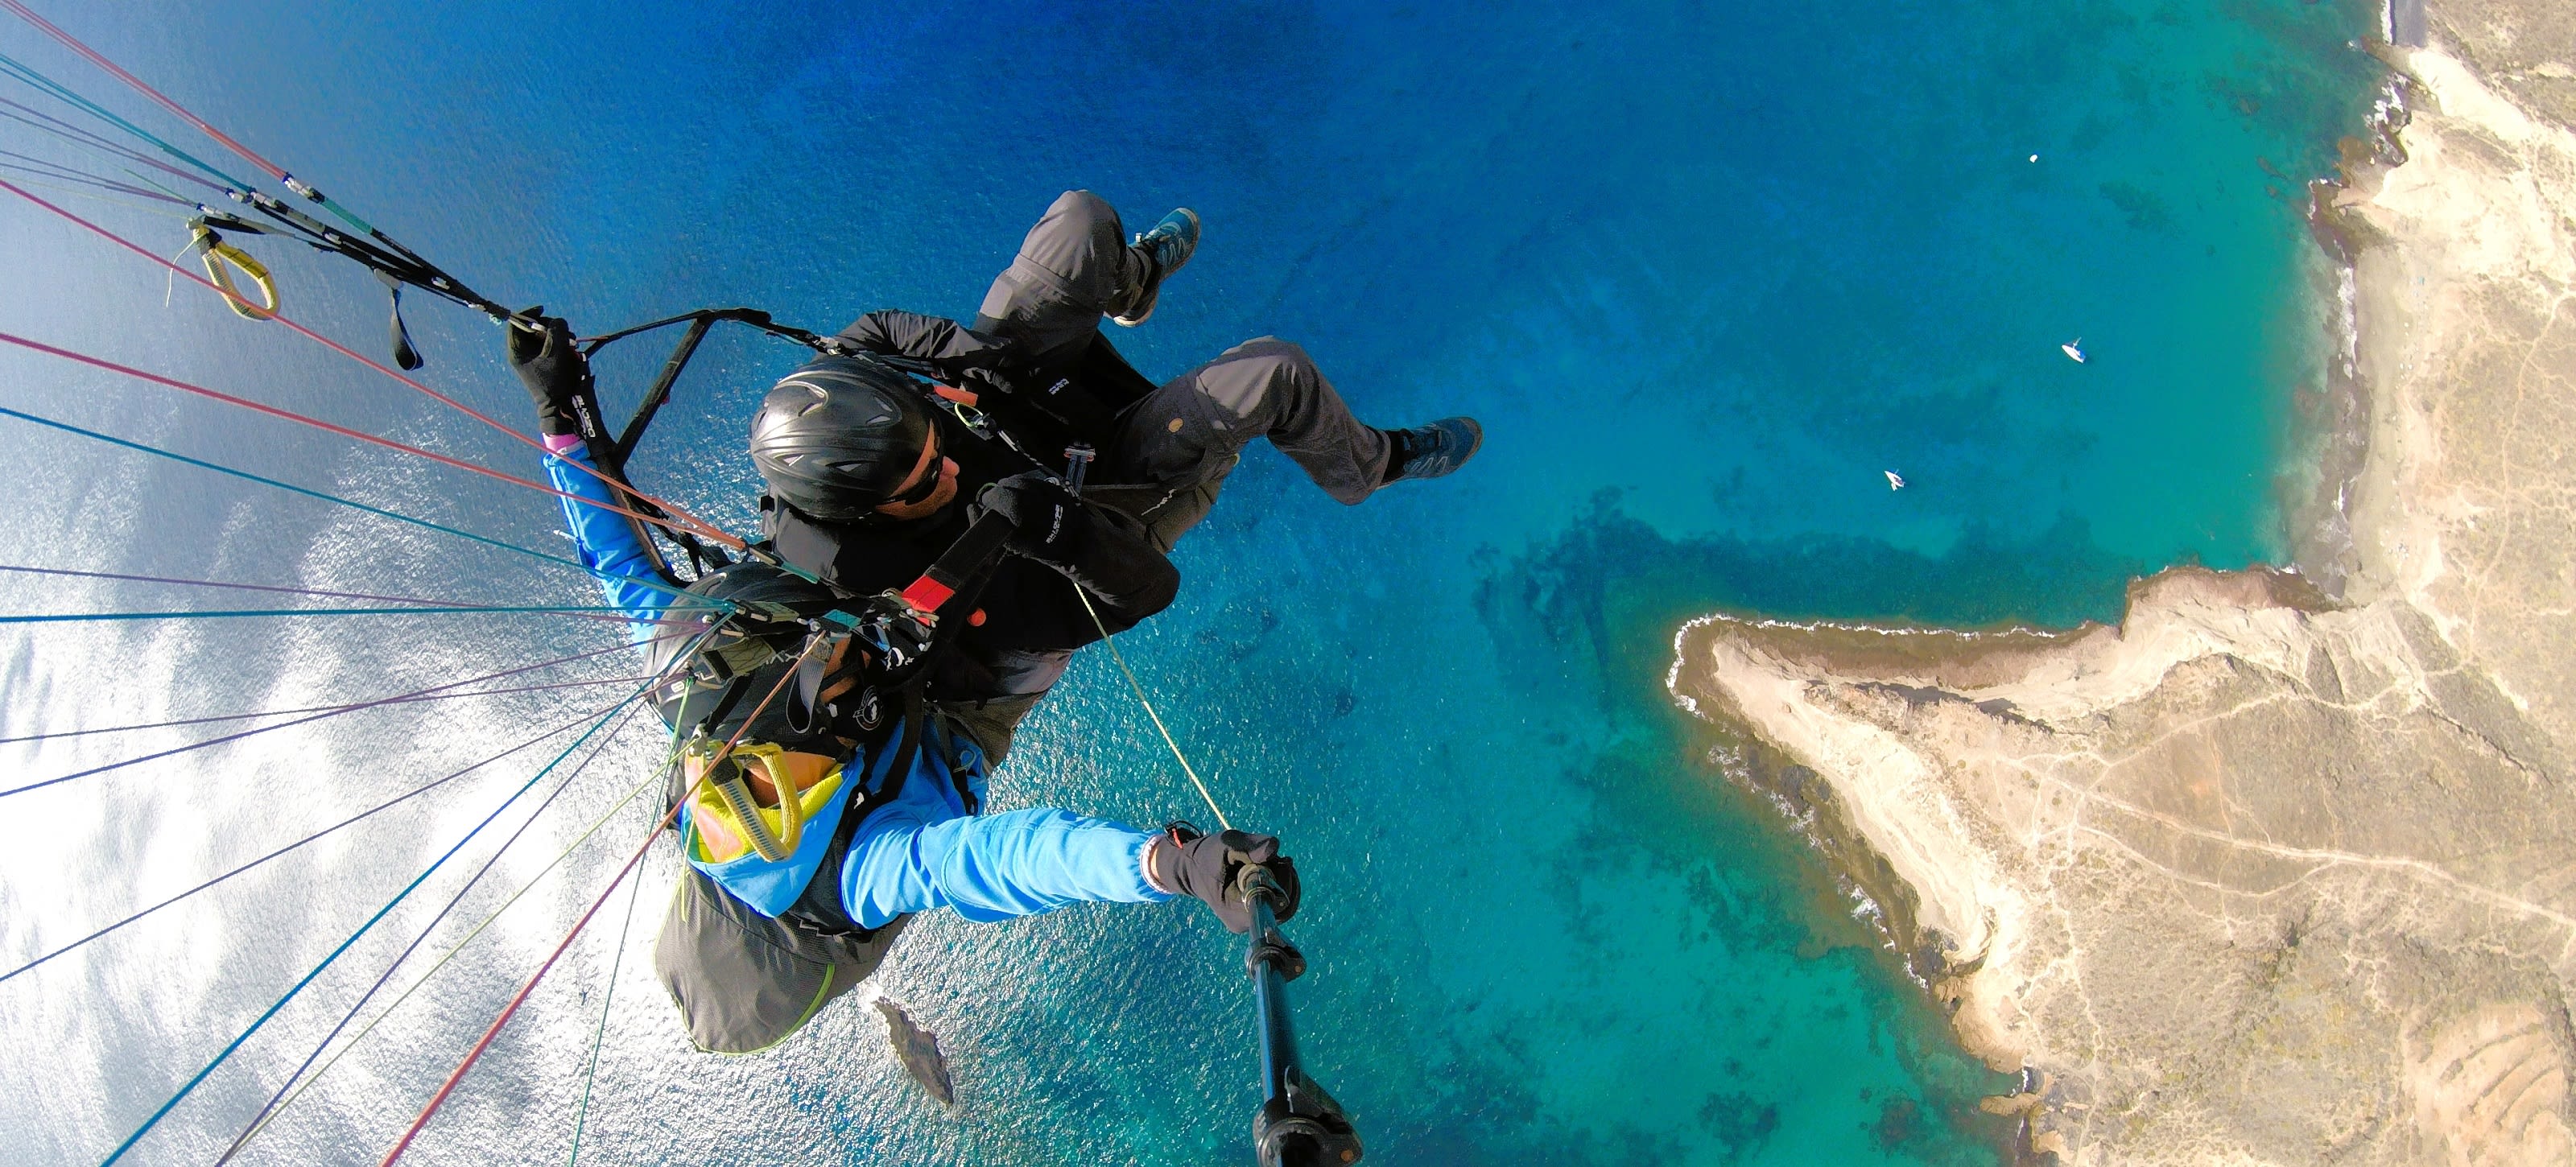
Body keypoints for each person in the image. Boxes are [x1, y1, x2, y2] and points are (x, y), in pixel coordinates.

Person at [508, 316, 1301, 1056]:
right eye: (823, 688)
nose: (826, 661)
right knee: (1040, 625)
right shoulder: (861, 874)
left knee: (877, 559)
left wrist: (557, 414)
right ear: (821, 757)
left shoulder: (701, 693)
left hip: (867, 695)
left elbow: (618, 568)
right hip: (967, 712)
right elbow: (999, 861)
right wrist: (1169, 864)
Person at [749, 191, 1484, 759]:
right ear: (869, 513)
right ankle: (1368, 467)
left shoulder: (842, 402)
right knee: (1275, 373)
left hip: (1017, 411)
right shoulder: (921, 576)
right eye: (920, 483)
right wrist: (1050, 522)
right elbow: (1141, 591)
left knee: (1079, 222)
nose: (941, 465)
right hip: (1102, 502)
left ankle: (1132, 285)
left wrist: (971, 356)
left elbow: (878, 332)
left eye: (926, 443)